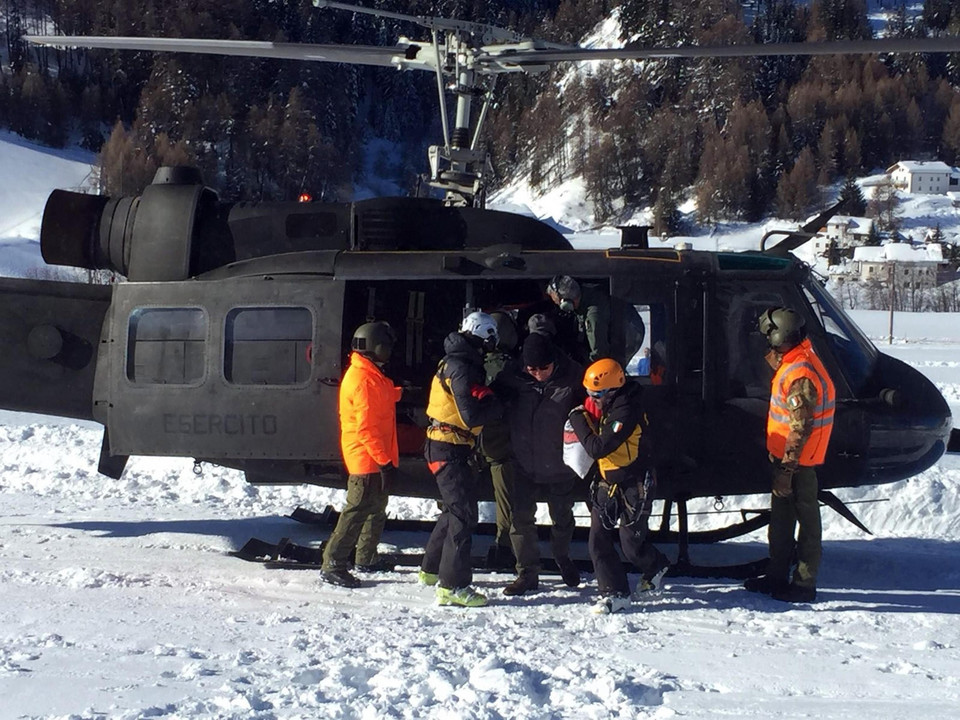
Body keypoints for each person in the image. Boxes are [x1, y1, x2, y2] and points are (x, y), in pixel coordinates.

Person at [744, 307, 836, 603]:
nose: (768, 340)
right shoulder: (795, 360)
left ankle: (804, 584)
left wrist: (787, 470)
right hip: (786, 459)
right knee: (781, 521)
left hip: (798, 463)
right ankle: (777, 574)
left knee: (807, 522)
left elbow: (800, 426)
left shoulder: (801, 374)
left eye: (771, 334)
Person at [567, 358, 671, 614]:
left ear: (612, 391)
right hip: (607, 482)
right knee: (598, 540)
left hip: (634, 484)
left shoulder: (626, 410)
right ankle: (614, 592)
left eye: (597, 394)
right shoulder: (607, 406)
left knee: (631, 544)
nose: (592, 399)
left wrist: (578, 419)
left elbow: (598, 447)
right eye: (589, 394)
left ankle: (655, 564)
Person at [420, 311, 503, 607]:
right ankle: (452, 586)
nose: (493, 343)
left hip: (446, 445)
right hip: (449, 447)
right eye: (491, 337)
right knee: (464, 515)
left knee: (454, 510)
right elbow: (470, 416)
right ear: (482, 334)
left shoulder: (458, 361)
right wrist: (496, 407)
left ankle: (430, 569)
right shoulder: (461, 367)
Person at [498, 332, 585, 595]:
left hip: (560, 465)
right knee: (520, 519)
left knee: (562, 518)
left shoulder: (574, 379)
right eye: (531, 368)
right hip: (525, 462)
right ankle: (527, 573)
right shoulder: (511, 379)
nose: (537, 373)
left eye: (543, 368)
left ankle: (562, 558)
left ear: (554, 362)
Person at [321, 321, 403, 588]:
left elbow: (379, 400)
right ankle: (333, 563)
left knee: (375, 509)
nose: (389, 351)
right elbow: (367, 429)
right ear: (376, 347)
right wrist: (384, 462)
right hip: (367, 457)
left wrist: (401, 393)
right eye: (386, 345)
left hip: (374, 457)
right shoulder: (364, 379)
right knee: (356, 511)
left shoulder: (369, 373)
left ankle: (365, 557)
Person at [479, 311, 520, 568]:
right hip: (501, 445)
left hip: (474, 442)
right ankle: (503, 548)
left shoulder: (474, 364)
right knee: (507, 503)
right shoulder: (514, 368)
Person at [546, 275, 611, 364]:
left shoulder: (593, 316)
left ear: (566, 303)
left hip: (626, 341)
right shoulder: (585, 296)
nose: (557, 306)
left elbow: (599, 354)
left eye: (557, 303)